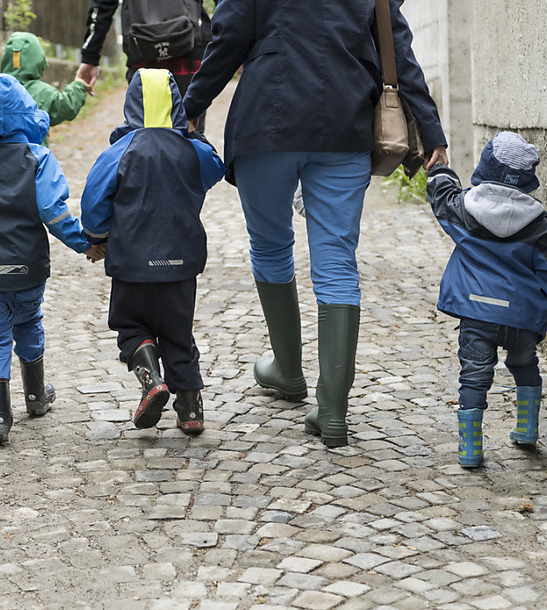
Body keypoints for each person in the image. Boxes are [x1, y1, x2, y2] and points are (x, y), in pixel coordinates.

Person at [181, 0, 449, 447]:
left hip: (267, 123)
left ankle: (287, 370)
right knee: (337, 262)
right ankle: (333, 412)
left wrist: (193, 105)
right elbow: (398, 49)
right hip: (344, 124)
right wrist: (432, 131)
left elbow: (227, 37)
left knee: (269, 246)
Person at [0, 73, 104, 445]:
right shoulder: (39, 158)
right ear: (25, 111)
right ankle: (35, 396)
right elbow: (53, 210)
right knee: (29, 322)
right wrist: (85, 244)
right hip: (28, 269)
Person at [80, 68, 225, 434]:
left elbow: (94, 204)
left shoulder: (118, 152)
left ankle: (152, 382)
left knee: (130, 326)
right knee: (179, 334)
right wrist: (191, 134)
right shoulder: (192, 152)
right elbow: (216, 167)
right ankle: (190, 408)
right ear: (176, 104)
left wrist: (97, 236)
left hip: (131, 264)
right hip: (180, 265)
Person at [426, 132, 547, 467]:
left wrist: (440, 171)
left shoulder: (466, 211)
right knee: (524, 365)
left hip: (476, 314)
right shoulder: (539, 224)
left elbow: (441, 199)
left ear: (485, 166)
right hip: (521, 318)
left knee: (474, 375)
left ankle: (471, 450)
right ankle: (527, 430)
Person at [76, 0, 213, 127]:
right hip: (189, 45)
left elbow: (102, 4)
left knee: (144, 132)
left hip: (142, 45)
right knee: (189, 132)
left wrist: (90, 57)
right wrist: (233, 46)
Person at [0, 32, 88, 154]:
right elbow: (66, 106)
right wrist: (79, 85)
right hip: (31, 166)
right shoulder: (42, 92)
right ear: (39, 60)